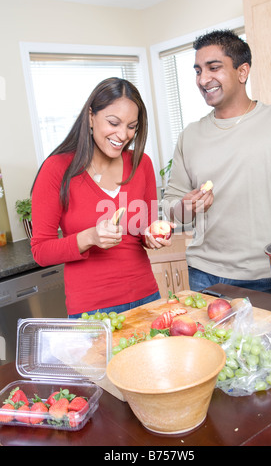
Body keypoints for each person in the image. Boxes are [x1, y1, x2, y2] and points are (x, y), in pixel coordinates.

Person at [163, 29, 271, 294]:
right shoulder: (190, 135)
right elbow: (171, 209)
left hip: (269, 274)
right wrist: (186, 207)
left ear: (242, 72)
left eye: (213, 68)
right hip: (205, 274)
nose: (203, 79)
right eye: (198, 70)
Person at [31, 77, 173, 317]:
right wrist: (89, 237)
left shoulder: (141, 164)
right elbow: (41, 252)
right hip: (91, 309)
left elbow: (142, 233)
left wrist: (152, 236)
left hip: (145, 297)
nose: (123, 134)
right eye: (113, 122)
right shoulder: (57, 169)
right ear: (90, 117)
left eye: (131, 126)